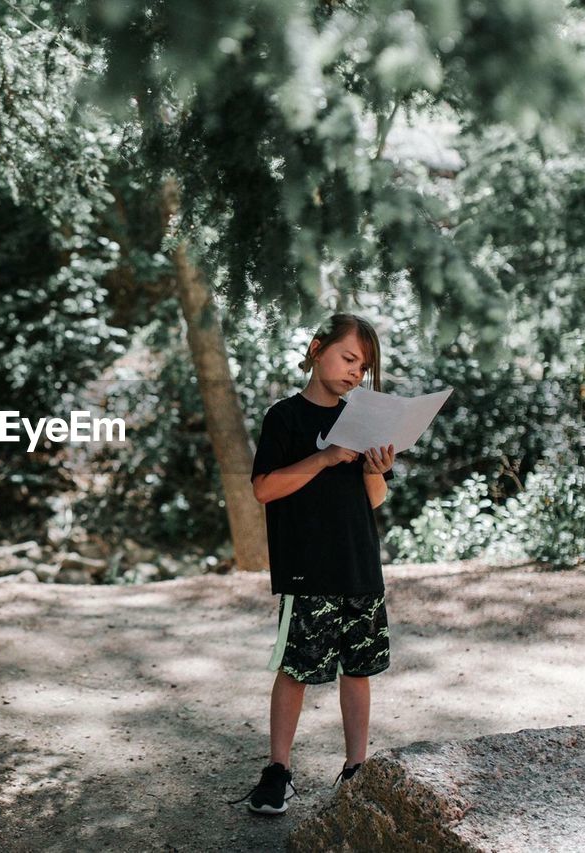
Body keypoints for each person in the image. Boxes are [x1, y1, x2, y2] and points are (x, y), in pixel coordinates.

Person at [228, 312, 397, 815]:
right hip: (308, 568)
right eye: (348, 358)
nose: (354, 373)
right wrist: (324, 457)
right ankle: (278, 772)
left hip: (360, 565)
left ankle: (355, 770)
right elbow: (264, 488)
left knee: (359, 669)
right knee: (295, 668)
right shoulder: (285, 418)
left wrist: (375, 469)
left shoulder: (362, 421)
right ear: (317, 347)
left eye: (363, 368)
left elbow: (374, 500)